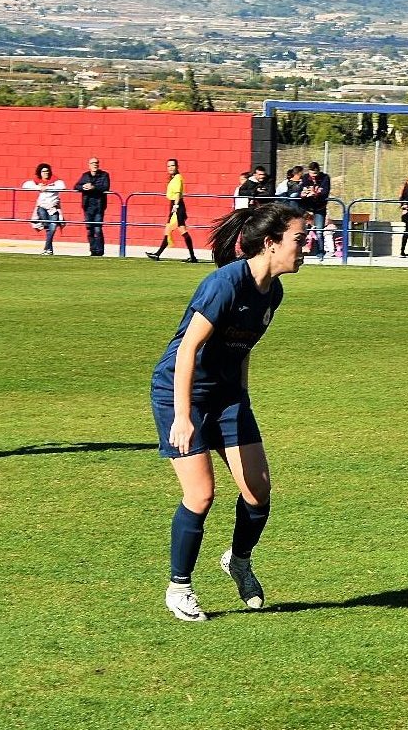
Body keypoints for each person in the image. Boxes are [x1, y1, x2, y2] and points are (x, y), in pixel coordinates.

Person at [152, 202, 309, 621]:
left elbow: (242, 348)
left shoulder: (273, 291)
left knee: (258, 491)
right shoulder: (225, 284)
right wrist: (182, 416)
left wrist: (241, 397)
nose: (306, 245)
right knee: (201, 494)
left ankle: (238, 561)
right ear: (271, 243)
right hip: (180, 393)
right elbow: (188, 349)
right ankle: (179, 588)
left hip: (227, 395)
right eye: (299, 238)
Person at [146, 158, 199, 263]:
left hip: (177, 205)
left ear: (177, 167)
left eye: (172, 165)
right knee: (170, 230)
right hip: (174, 205)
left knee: (178, 230)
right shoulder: (173, 178)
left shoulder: (178, 178)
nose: (170, 168)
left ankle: (192, 256)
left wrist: (176, 206)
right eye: (169, 166)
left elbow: (178, 193)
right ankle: (158, 254)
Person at [23, 163, 66, 255]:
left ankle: (47, 249)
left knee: (52, 228)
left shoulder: (55, 180)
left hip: (53, 208)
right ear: (40, 173)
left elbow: (62, 186)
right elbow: (25, 185)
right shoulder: (38, 181)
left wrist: (47, 188)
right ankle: (49, 250)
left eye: (47, 171)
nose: (46, 173)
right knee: (48, 228)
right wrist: (39, 187)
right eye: (43, 171)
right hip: (42, 208)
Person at [73, 156, 111, 256]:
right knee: (90, 229)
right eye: (93, 163)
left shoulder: (104, 175)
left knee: (97, 229)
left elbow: (105, 187)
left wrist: (93, 187)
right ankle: (93, 251)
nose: (95, 165)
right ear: (89, 165)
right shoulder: (85, 175)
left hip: (99, 206)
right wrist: (83, 187)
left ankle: (100, 251)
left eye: (96, 163)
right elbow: (76, 186)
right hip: (87, 206)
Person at [297, 161, 332, 258]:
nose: (314, 176)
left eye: (316, 174)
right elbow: (300, 190)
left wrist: (315, 194)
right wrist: (303, 194)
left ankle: (320, 252)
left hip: (320, 207)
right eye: (312, 174)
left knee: (319, 231)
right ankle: (299, 250)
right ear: (309, 171)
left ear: (319, 171)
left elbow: (325, 192)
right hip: (307, 207)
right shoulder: (305, 178)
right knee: (302, 230)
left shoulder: (325, 178)